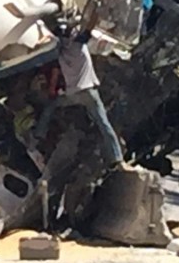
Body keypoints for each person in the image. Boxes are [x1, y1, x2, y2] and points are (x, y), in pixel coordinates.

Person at [31, 17, 127, 171]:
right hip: (89, 92)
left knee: (51, 107)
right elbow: (90, 26)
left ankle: (38, 135)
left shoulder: (59, 53)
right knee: (104, 124)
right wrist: (94, 11)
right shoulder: (79, 44)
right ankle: (117, 159)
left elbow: (53, 74)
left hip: (71, 94)